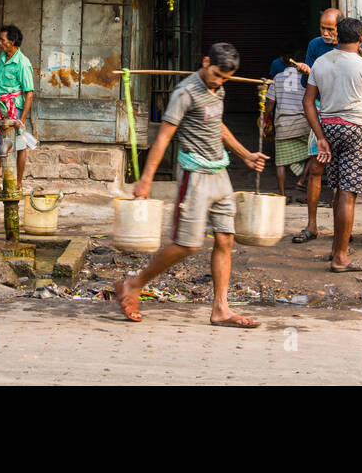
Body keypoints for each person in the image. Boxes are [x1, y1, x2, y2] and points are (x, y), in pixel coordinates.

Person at [115, 43, 268, 328]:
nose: (220, 81)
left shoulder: (218, 88)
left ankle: (221, 309)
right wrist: (145, 179)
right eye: (217, 74)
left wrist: (246, 154)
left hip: (219, 172)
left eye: (225, 78)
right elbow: (163, 137)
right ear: (206, 61)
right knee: (186, 244)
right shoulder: (184, 93)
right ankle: (134, 284)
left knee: (225, 239)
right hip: (194, 174)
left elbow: (217, 126)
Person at [292, 8, 362, 243]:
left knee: (343, 184)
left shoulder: (360, 55)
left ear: (341, 30)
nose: (325, 33)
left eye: (330, 29)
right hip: (325, 117)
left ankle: (341, 235)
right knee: (325, 174)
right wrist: (307, 72)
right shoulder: (316, 47)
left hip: (330, 124)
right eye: (322, 28)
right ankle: (314, 227)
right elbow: (309, 86)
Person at [0, 24, 35, 193]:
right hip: (1, 107)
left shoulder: (23, 64)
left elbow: (29, 94)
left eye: (2, 40)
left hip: (15, 110)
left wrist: (21, 121)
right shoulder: (3, 57)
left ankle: (18, 184)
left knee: (20, 146)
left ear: (12, 42)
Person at [265, 51, 310, 196]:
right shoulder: (307, 77)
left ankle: (282, 194)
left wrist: (265, 120)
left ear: (287, 62)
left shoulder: (278, 78)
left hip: (283, 125)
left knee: (280, 163)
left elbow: (270, 104)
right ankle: (302, 179)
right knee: (316, 154)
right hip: (303, 123)